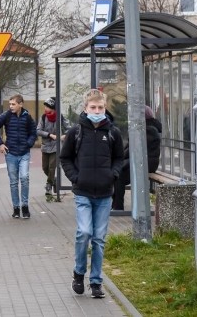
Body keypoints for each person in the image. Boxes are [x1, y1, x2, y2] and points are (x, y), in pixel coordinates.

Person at [59, 88, 124, 299]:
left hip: (105, 193)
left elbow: (119, 159)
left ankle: (96, 281)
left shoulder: (112, 132)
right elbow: (65, 157)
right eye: (93, 107)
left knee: (99, 238)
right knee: (84, 232)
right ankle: (79, 272)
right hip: (83, 192)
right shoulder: (76, 132)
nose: (97, 111)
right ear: (86, 109)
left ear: (105, 108)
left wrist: (112, 175)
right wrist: (75, 178)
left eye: (101, 107)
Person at [0, 94, 37, 219]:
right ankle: (16, 208)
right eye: (10, 104)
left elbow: (34, 132)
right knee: (13, 182)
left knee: (24, 178)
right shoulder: (6, 116)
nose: (11, 106)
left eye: (13, 104)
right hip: (10, 153)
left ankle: (25, 206)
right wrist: (0, 144)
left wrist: (28, 143)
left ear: (20, 104)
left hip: (24, 153)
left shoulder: (27, 117)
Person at [114, 105, 162, 210]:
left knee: (119, 175)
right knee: (117, 170)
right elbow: (130, 148)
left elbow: (135, 149)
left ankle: (117, 206)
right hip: (142, 161)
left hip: (146, 163)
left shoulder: (148, 129)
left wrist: (121, 158)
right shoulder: (144, 128)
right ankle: (116, 205)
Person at [36, 97, 70, 201]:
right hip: (46, 146)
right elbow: (38, 130)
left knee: (52, 167)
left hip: (56, 146)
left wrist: (64, 135)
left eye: (48, 106)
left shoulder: (60, 117)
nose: (45, 108)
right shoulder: (43, 117)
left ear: (53, 108)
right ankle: (54, 181)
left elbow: (69, 128)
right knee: (45, 167)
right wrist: (50, 135)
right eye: (45, 106)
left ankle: (48, 186)